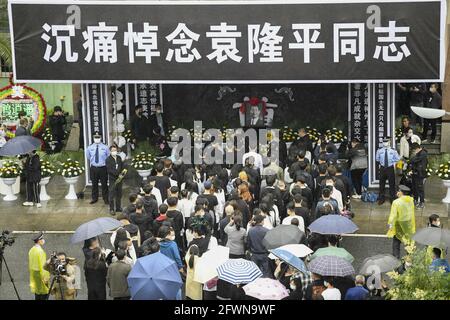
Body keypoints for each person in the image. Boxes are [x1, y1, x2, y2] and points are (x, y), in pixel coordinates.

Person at [387, 185, 416, 259]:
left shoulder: (396, 202)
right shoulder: (411, 201)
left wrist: (390, 224)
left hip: (399, 225)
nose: (397, 192)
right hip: (408, 225)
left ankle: (396, 259)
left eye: (398, 191)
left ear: (401, 192)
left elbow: (393, 215)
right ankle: (409, 259)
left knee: (396, 242)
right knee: (409, 242)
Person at [86, 133, 110, 204]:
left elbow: (108, 156)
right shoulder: (90, 147)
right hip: (94, 168)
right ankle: (94, 198)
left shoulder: (105, 147)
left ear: (101, 137)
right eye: (95, 137)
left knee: (104, 184)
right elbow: (88, 156)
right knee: (94, 184)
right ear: (93, 138)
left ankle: (106, 199)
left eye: (98, 137)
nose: (97, 138)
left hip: (103, 168)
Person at [375, 137, 400, 205]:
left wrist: (392, 161)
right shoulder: (379, 150)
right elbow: (377, 159)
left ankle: (392, 199)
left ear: (389, 142)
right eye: (384, 141)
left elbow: (397, 158)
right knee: (381, 184)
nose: (385, 143)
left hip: (390, 168)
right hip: (383, 168)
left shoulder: (393, 150)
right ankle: (381, 199)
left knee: (392, 184)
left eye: (386, 141)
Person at [28, 232, 50, 300]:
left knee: (37, 292)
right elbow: (43, 266)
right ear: (39, 240)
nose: (43, 240)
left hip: (34, 274)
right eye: (42, 239)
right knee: (44, 292)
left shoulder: (32, 250)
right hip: (41, 274)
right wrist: (46, 278)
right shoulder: (40, 251)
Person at [106, 145, 124, 215]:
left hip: (120, 179)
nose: (114, 152)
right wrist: (117, 174)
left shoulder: (119, 158)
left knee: (119, 194)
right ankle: (111, 209)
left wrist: (121, 175)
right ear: (110, 151)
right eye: (113, 150)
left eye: (115, 150)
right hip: (112, 179)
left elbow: (122, 166)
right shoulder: (108, 159)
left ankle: (118, 208)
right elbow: (109, 170)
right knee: (111, 194)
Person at [409, 143, 428, 208]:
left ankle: (422, 202)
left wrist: (411, 160)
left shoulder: (423, 153)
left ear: (417, 148)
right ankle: (416, 200)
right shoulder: (418, 153)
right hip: (415, 173)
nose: (413, 152)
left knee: (420, 188)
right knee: (414, 187)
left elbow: (414, 160)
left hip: (420, 174)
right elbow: (413, 162)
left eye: (414, 150)